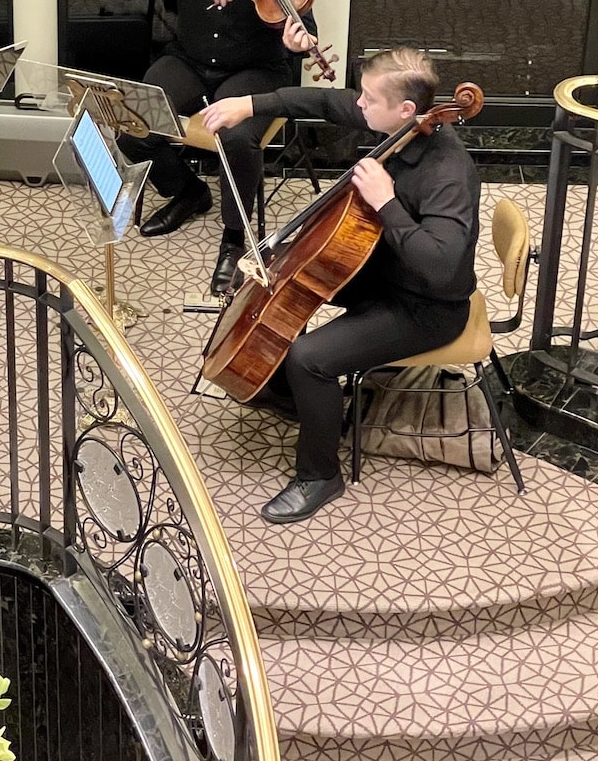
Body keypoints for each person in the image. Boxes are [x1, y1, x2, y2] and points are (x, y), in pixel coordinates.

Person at [199, 46, 480, 524]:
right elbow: (327, 103)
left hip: (427, 306)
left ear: (406, 109)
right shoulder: (397, 126)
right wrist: (252, 105)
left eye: (369, 98)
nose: (359, 105)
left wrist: (387, 202)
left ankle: (319, 475)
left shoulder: (448, 172)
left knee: (309, 359)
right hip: (382, 268)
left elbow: (440, 265)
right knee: (287, 291)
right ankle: (302, 403)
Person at [118, 0, 317, 295]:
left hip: (257, 69)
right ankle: (188, 191)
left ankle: (235, 236)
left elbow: (303, 23)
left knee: (235, 136)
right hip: (190, 59)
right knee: (130, 121)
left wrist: (296, 38)